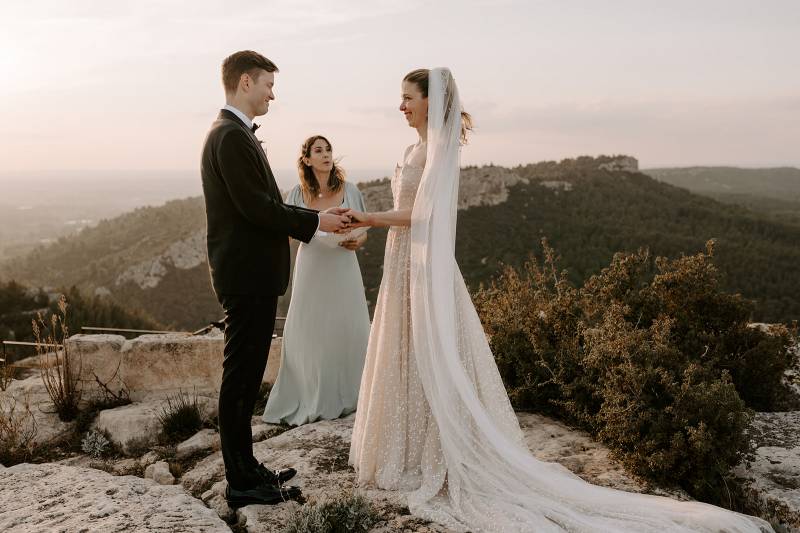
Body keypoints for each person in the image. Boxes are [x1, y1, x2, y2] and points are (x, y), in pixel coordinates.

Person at [345, 68, 772, 532]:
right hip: (404, 259)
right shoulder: (413, 148)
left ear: (431, 101)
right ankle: (406, 444)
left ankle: (436, 447)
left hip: (423, 263)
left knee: (430, 348)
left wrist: (368, 218)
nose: (401, 106)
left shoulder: (439, 149)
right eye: (401, 98)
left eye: (408, 98)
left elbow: (423, 214)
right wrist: (368, 225)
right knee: (407, 346)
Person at [200, 50, 350, 508]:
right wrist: (316, 221)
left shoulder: (234, 133)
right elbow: (257, 208)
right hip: (246, 276)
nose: (272, 94)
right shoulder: (229, 136)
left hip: (252, 276)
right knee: (240, 377)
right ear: (246, 82)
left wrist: (313, 220)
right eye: (268, 84)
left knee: (247, 377)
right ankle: (240, 481)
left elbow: (262, 205)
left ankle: (247, 467)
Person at [262, 135, 370, 426]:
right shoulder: (297, 194)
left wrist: (357, 241)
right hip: (311, 268)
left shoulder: (350, 190)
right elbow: (286, 230)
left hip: (343, 265)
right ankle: (311, 393)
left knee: (349, 326)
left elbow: (363, 228)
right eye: (318, 150)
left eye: (328, 149)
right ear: (307, 160)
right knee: (310, 329)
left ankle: (354, 394)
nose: (325, 154)